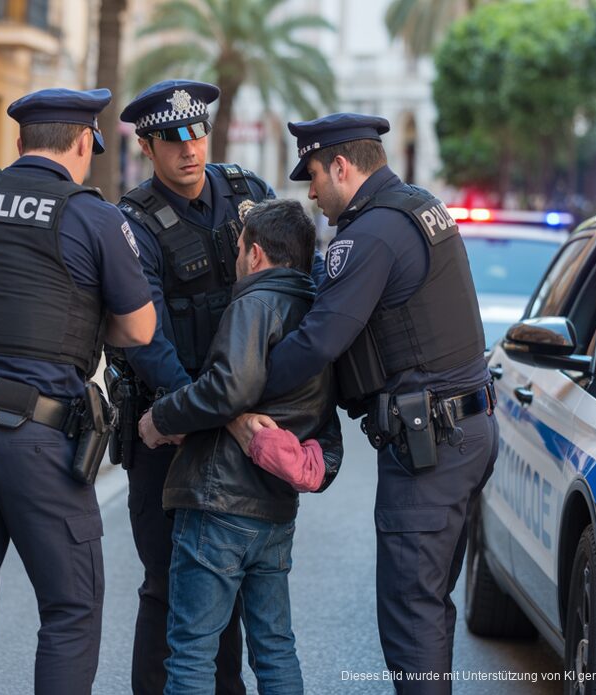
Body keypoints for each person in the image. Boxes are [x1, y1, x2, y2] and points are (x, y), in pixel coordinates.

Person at [231, 114, 498, 694]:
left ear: (342, 166)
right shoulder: (418, 206)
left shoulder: (370, 233)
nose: (312, 195)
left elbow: (319, 340)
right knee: (428, 605)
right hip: (461, 430)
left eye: (315, 178)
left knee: (410, 614)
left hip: (433, 441)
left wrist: (238, 388)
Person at [0, 87, 155, 695]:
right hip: (37, 437)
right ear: (84, 144)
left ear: (20, 142)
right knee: (71, 607)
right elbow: (139, 329)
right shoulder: (94, 215)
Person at [136, 199, 342, 694]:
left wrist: (158, 418)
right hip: (273, 508)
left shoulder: (254, 303)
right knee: (275, 648)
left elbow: (230, 388)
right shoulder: (315, 312)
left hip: (219, 499)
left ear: (254, 254)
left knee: (190, 652)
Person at [111, 79, 275, 695]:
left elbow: (289, 296)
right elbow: (144, 339)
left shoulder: (249, 195)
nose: (189, 148)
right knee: (166, 584)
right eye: (172, 138)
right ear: (146, 147)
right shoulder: (132, 223)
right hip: (168, 432)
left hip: (238, 424)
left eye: (196, 132)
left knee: (229, 584)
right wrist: (205, 410)